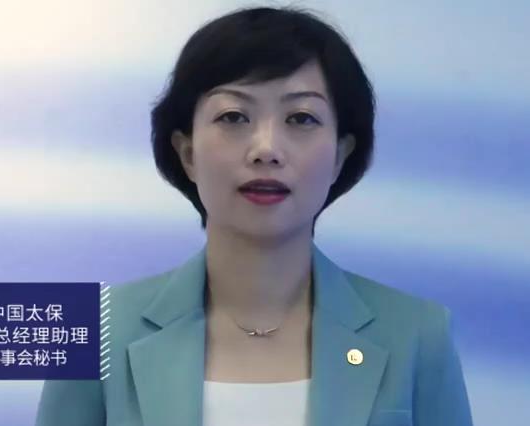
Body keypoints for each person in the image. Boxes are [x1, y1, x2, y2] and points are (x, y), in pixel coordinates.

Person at [36, 6, 472, 426]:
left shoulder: (417, 335)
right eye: (233, 116)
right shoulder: (95, 333)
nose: (266, 149)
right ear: (187, 153)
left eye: (300, 118)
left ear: (340, 155)